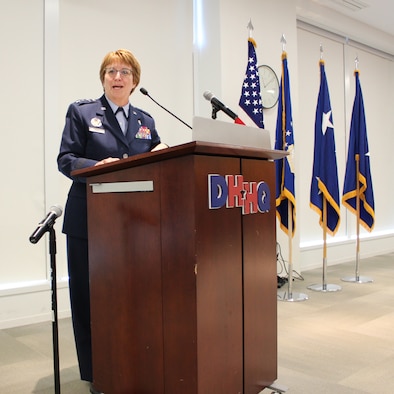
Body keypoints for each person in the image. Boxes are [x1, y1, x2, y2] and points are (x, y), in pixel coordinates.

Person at [57, 49, 168, 393]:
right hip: (88, 221)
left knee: (132, 298)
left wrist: (163, 152)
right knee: (91, 299)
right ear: (103, 77)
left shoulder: (145, 119)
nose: (117, 77)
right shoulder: (82, 112)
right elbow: (66, 159)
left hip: (135, 225)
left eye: (124, 72)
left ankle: (133, 359)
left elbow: (153, 158)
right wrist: (95, 167)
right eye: (110, 71)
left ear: (135, 81)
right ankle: (98, 373)